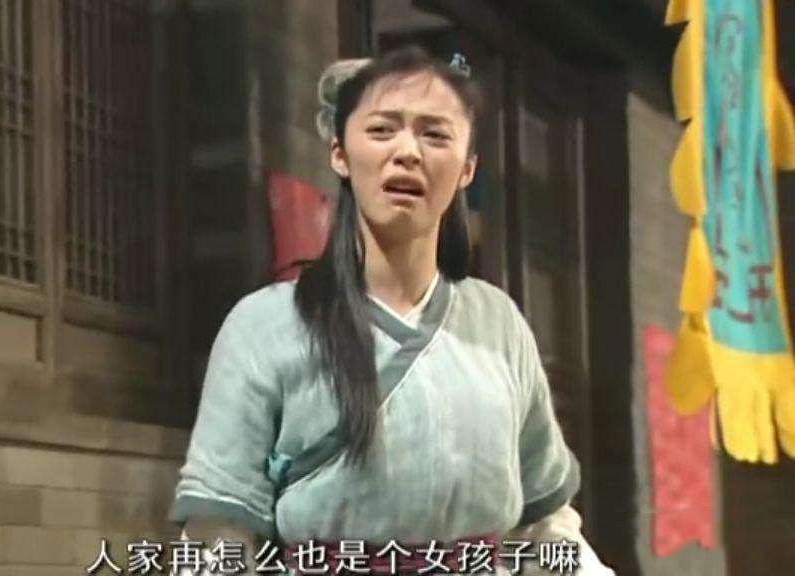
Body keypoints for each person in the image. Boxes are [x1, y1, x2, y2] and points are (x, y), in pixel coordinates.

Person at [169, 46, 614, 575]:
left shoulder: (497, 322)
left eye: (435, 134)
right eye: (382, 130)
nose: (407, 152)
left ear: (467, 168)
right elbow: (220, 536)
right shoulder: (263, 326)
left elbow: (544, 524)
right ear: (339, 153)